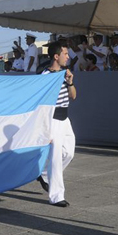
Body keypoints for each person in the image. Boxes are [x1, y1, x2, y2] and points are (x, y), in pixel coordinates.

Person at [37, 41, 77, 207]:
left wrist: (70, 82)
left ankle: (44, 175)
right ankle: (56, 196)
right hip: (52, 120)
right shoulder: (45, 77)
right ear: (56, 56)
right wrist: (45, 128)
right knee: (55, 158)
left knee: (69, 153)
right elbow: (40, 102)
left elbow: (73, 96)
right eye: (65, 54)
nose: (68, 57)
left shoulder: (65, 73)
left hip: (65, 119)